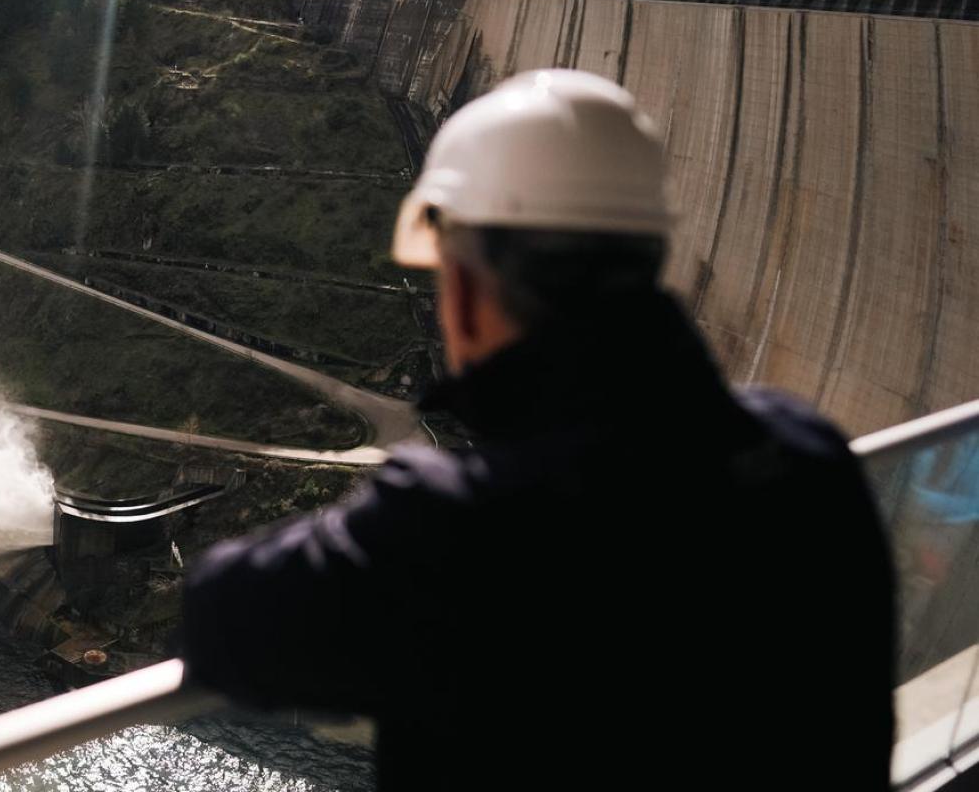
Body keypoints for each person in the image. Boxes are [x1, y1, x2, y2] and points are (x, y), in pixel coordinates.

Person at [180, 69, 896, 790]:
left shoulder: (453, 525)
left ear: (463, 287)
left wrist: (415, 494)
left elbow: (222, 617)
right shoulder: (810, 455)